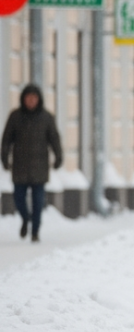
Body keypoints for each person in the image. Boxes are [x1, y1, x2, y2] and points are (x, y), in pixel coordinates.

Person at [2, 84, 63, 242]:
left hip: (40, 167)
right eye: (28, 98)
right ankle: (25, 218)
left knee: (38, 202)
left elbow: (54, 139)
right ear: (23, 99)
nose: (31, 101)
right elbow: (7, 139)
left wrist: (58, 157)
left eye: (34, 98)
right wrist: (4, 157)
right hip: (20, 166)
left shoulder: (46, 117)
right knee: (19, 198)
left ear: (38, 99)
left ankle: (35, 231)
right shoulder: (15, 116)